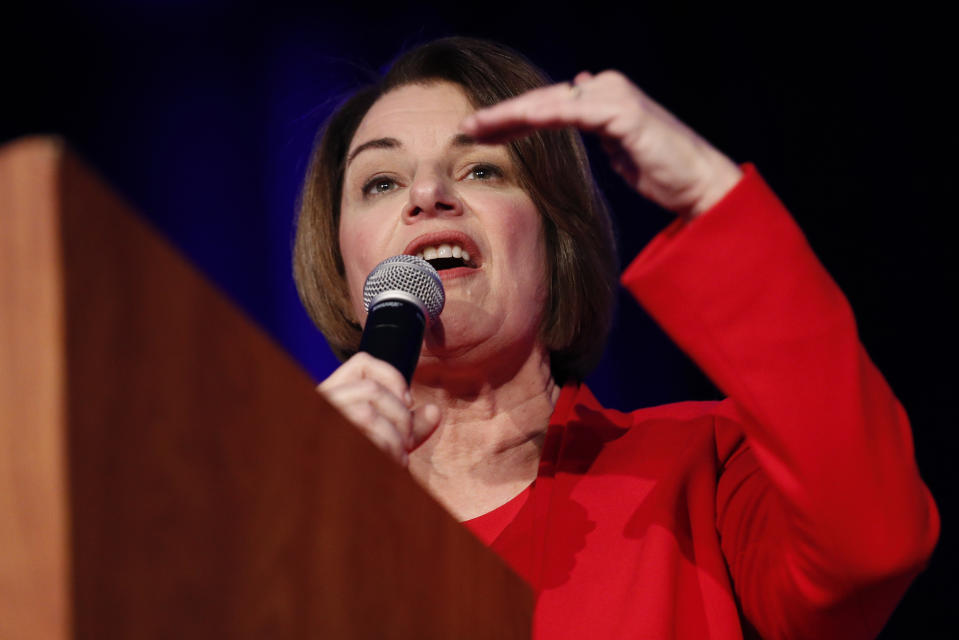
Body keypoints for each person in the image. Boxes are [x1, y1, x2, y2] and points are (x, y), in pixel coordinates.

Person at [293, 37, 939, 638]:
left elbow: (871, 545)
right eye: (381, 182)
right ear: (342, 264)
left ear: (555, 241)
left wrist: (708, 191)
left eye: (481, 171)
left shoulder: (698, 470)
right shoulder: (275, 531)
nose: (428, 195)